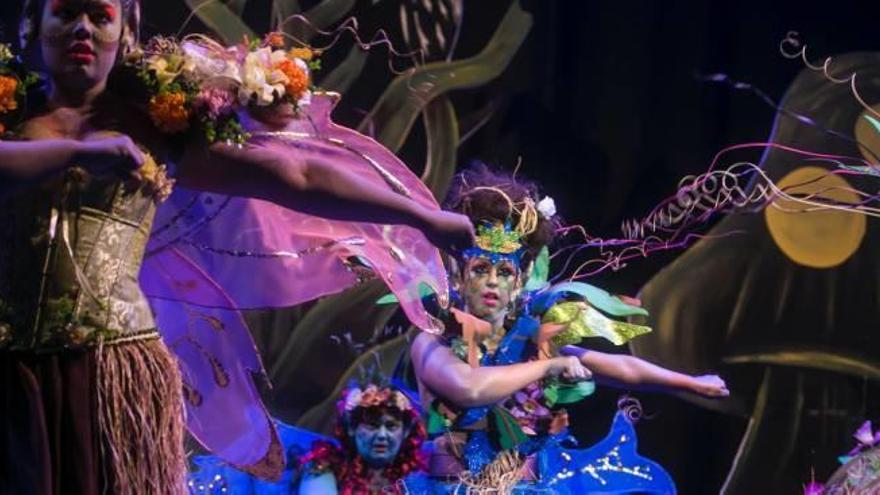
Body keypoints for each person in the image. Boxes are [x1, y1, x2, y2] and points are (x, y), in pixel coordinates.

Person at [0, 1, 473, 493]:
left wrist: (421, 216)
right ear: (32, 23)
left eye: (100, 16)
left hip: (111, 369)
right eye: (66, 13)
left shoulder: (156, 129)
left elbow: (300, 177)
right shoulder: (9, 111)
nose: (83, 28)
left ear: (126, 31)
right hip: (11, 367)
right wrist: (78, 152)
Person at [409, 163, 729, 493]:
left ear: (520, 278)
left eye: (504, 271)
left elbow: (618, 368)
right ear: (459, 274)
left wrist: (690, 383)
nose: (492, 281)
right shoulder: (432, 343)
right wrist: (550, 366)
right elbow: (469, 388)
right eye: (479, 269)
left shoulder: (530, 343)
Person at [187, 382, 427, 495]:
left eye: (392, 426)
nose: (382, 435)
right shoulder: (325, 465)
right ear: (352, 429)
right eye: (372, 425)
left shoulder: (413, 480)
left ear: (405, 432)